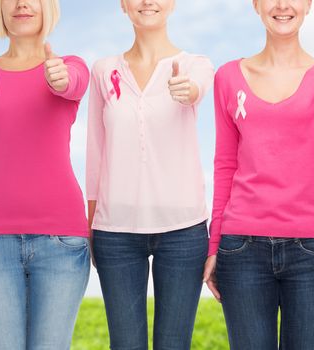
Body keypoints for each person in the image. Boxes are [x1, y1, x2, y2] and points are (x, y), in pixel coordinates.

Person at [202, 0, 314, 348]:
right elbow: (225, 164)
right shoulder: (228, 77)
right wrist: (214, 243)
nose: (282, 5)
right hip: (241, 248)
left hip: (313, 251)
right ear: (256, 5)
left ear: (308, 5)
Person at [0, 0, 91, 348]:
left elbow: (72, 83)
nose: (22, 3)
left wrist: (60, 77)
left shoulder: (69, 66)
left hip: (62, 242)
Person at [85, 0, 214, 348]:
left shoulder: (195, 66)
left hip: (183, 231)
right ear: (123, 5)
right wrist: (91, 223)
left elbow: (196, 89)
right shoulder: (102, 70)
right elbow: (96, 152)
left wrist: (188, 91)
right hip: (115, 232)